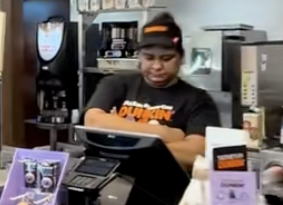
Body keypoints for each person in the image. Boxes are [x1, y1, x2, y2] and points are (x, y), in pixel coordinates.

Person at [84, 12, 221, 168]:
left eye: (166, 58)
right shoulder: (116, 83)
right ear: (139, 57)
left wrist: (123, 145)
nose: (157, 67)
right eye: (149, 58)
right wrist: (165, 134)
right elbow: (94, 121)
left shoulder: (198, 100)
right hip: (110, 181)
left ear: (181, 58)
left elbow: (195, 151)